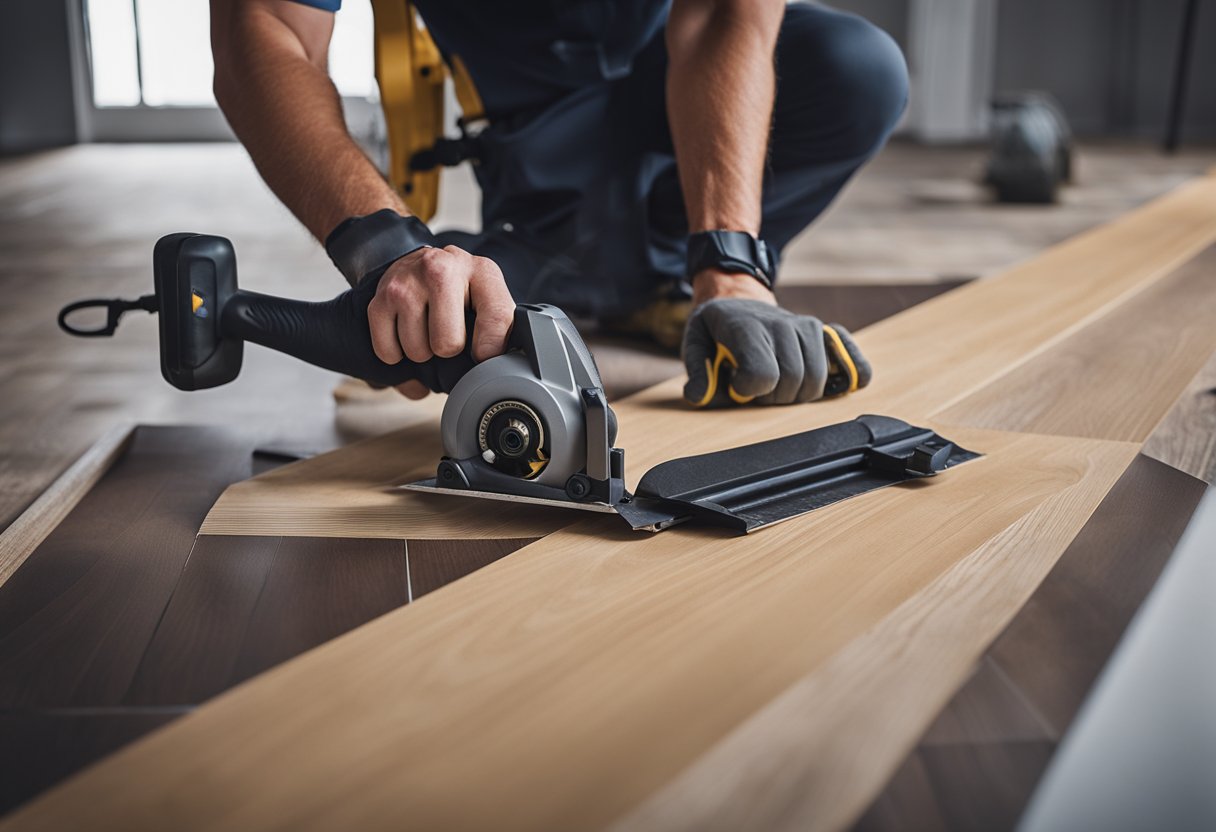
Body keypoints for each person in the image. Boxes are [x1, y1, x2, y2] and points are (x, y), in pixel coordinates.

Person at [209, 0, 907, 406]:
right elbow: (267, 27)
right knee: (507, 296)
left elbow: (725, 14)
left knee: (857, 71)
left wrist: (730, 263)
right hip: (538, 132)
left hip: (679, 81)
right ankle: (600, 264)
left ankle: (645, 269)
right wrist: (385, 248)